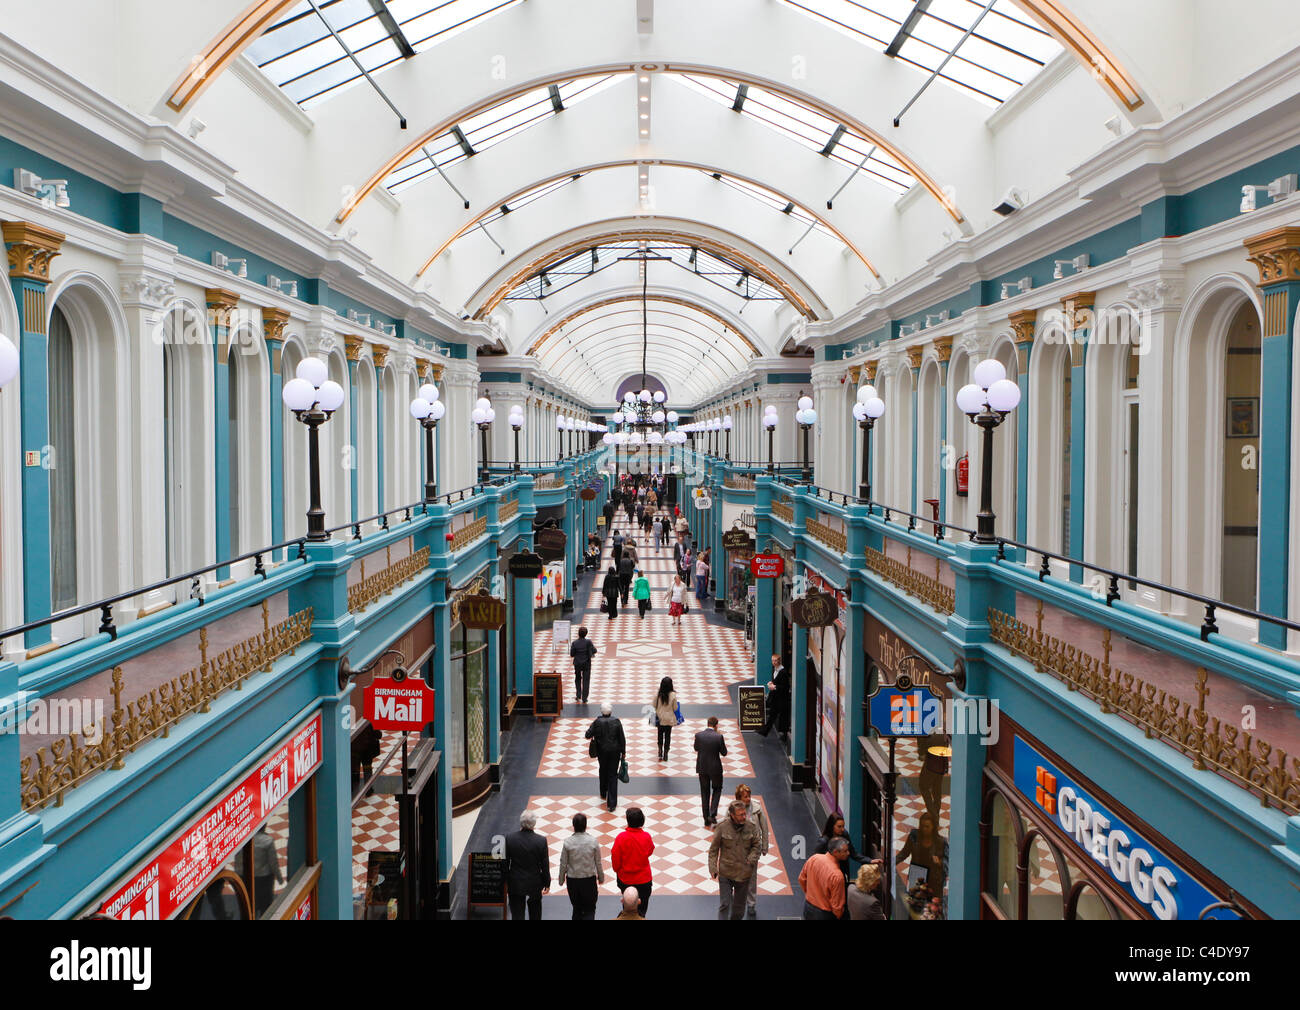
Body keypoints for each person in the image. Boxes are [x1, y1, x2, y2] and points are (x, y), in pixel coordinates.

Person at [708, 800, 762, 920]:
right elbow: (713, 850)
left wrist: (751, 859)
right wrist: (712, 867)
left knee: (739, 909)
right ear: (732, 815)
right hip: (726, 873)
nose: (744, 817)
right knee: (725, 904)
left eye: (744, 814)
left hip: (744, 873)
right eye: (741, 815)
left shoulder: (751, 827)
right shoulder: (722, 828)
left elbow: (757, 845)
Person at [504, 809, 551, 920]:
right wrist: (547, 883)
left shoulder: (510, 839)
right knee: (535, 915)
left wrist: (506, 882)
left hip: (515, 882)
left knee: (517, 915)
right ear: (534, 823)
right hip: (534, 883)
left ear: (521, 822)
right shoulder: (541, 841)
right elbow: (545, 865)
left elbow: (505, 863)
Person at [558, 812, 604, 920]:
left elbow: (563, 863)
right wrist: (601, 877)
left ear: (573, 826)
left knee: (576, 908)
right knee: (590, 909)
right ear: (586, 825)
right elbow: (598, 862)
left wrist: (561, 880)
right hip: (589, 881)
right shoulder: (593, 841)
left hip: (573, 881)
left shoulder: (567, 842)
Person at [610, 806, 654, 916]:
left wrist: (618, 870)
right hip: (644, 880)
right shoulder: (646, 836)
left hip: (626, 880)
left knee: (628, 910)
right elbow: (650, 851)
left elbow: (615, 858)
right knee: (642, 912)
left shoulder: (621, 837)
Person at [734, 783, 768, 919]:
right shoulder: (732, 809)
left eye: (749, 796)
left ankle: (751, 903)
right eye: (745, 797)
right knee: (737, 876)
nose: (748, 799)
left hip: (753, 849)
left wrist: (764, 846)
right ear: (739, 798)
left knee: (752, 877)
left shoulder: (757, 809)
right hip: (737, 850)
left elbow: (764, 828)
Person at [585, 702, 626, 811]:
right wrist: (623, 751)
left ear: (601, 711)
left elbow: (587, 735)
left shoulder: (597, 722)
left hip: (602, 752)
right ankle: (612, 803)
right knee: (613, 775)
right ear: (611, 711)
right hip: (615, 752)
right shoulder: (617, 722)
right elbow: (622, 738)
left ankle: (603, 792)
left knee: (603, 770)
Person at [895, 811, 948, 892]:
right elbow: (904, 853)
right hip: (917, 875)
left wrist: (939, 862)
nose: (924, 829)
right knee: (914, 901)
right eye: (922, 826)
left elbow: (948, 862)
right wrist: (892, 862)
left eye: (927, 827)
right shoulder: (914, 836)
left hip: (933, 880)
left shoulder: (941, 842)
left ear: (933, 827)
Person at [799, 838, 850, 919]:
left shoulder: (814, 858)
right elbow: (837, 907)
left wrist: (811, 894)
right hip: (825, 915)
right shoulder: (837, 876)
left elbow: (802, 879)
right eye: (845, 851)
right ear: (836, 852)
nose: (848, 853)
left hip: (808, 908)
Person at [815, 813, 867, 886]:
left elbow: (853, 853)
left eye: (843, 826)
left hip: (843, 874)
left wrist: (870, 860)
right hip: (828, 877)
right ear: (832, 826)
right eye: (839, 827)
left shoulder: (845, 834)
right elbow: (816, 863)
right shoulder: (823, 842)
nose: (842, 829)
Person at [694, 715, 728, 827]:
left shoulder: (699, 735)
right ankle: (712, 814)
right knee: (717, 789)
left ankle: (706, 818)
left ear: (707, 724)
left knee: (704, 792)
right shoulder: (719, 737)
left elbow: (696, 748)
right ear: (716, 725)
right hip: (715, 768)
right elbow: (724, 752)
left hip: (702, 767)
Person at [917, 733, 949, 824]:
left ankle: (933, 815)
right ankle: (936, 815)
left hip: (932, 759)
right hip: (942, 759)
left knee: (923, 786)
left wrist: (922, 752)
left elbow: (921, 738)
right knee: (937, 789)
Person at [252, 824, 284, 917]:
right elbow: (273, 862)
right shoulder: (268, 841)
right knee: (265, 906)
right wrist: (279, 878)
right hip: (264, 878)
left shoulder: (244, 840)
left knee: (250, 904)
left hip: (247, 877)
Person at [757, 654, 790, 738]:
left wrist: (774, 687)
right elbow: (776, 682)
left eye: (775, 660)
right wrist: (772, 683)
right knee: (773, 714)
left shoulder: (783, 672)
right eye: (772, 660)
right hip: (776, 697)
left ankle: (781, 733)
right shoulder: (775, 670)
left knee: (779, 715)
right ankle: (765, 731)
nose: (774, 662)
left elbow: (785, 687)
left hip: (781, 698)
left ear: (779, 661)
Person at [569, 625, 596, 704]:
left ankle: (578, 695)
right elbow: (594, 650)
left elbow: (572, 654)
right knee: (586, 680)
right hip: (586, 663)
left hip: (577, 663)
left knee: (577, 678)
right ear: (586, 634)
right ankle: (585, 698)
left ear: (578, 634)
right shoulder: (588, 642)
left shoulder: (574, 643)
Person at [653, 676, 678, 761]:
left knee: (660, 734)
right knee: (668, 735)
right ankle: (666, 753)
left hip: (660, 718)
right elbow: (675, 708)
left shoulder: (658, 694)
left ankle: (660, 750)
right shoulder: (673, 695)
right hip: (669, 719)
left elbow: (653, 705)